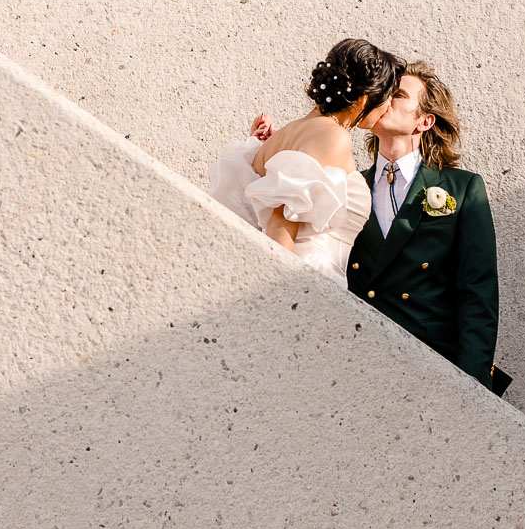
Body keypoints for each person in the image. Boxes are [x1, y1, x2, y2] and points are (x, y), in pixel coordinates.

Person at [347, 62, 501, 391]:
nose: (386, 99)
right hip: (358, 364)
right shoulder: (349, 185)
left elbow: (477, 293)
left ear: (425, 121)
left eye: (399, 95)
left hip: (431, 367)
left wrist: (473, 387)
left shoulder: (462, 189)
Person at [208, 39, 404, 284]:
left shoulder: (290, 132)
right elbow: (282, 221)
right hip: (301, 279)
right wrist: (271, 292)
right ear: (364, 100)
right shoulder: (334, 137)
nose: (388, 106)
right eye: (388, 97)